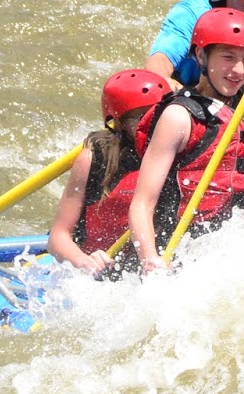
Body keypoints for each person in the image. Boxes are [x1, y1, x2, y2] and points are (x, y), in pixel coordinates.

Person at [129, 8, 244, 272]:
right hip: (192, 251)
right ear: (201, 55)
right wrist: (149, 259)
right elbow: (142, 202)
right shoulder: (179, 117)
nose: (238, 70)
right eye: (228, 57)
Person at [47, 69, 172, 274]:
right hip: (100, 270)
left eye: (158, 114)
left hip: (154, 265)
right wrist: (84, 262)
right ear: (119, 123)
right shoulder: (94, 159)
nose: (153, 124)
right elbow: (58, 237)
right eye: (141, 117)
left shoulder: (181, 149)